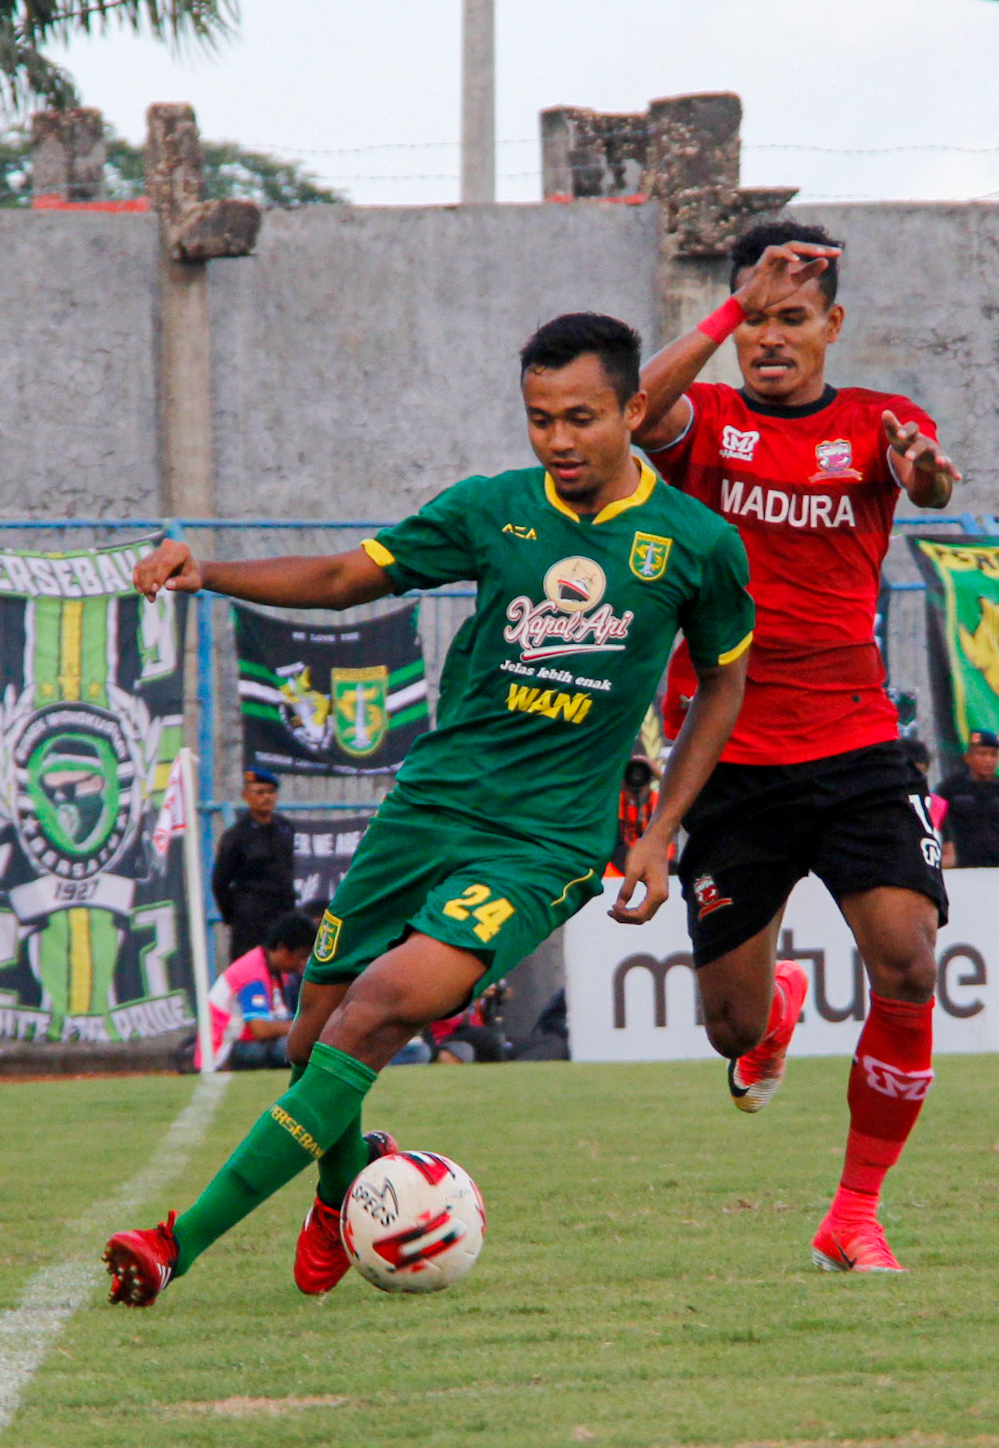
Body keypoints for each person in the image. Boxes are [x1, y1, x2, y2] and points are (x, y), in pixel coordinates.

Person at [106, 311, 753, 1305]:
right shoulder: (492, 510)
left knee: (372, 1013)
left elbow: (721, 684)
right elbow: (336, 579)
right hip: (429, 808)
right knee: (308, 1042)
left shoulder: (697, 545)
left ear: (632, 409)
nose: (559, 440)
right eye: (539, 418)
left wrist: (661, 830)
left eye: (581, 417)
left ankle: (173, 1242)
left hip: (544, 844)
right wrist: (210, 569)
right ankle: (343, 1183)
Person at [631, 220, 961, 1272]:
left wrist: (923, 469)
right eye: (755, 320)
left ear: (833, 324)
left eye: (793, 319)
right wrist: (728, 303)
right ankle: (768, 1012)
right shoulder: (710, 419)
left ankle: (854, 1212)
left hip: (858, 743)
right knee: (728, 1031)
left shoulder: (875, 421)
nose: (770, 339)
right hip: (728, 754)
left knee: (907, 963)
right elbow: (636, 412)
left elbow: (932, 483)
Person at [197, 910, 315, 1071]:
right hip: (223, 1051)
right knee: (290, 1047)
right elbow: (260, 1029)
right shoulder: (253, 974)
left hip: (242, 1042)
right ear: (282, 948)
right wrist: (306, 1025)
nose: (303, 964)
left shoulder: (276, 971)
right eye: (301, 956)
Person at [211, 769, 298, 959]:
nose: (266, 798)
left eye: (270, 792)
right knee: (252, 974)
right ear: (246, 796)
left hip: (282, 916)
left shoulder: (285, 828)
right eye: (259, 792)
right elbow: (220, 883)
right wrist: (235, 915)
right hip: (251, 921)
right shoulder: (236, 836)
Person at [936, 730, 999, 869]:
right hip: (960, 865)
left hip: (996, 866)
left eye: (993, 755)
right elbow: (939, 823)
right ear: (968, 757)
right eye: (982, 754)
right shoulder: (950, 788)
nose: (988, 760)